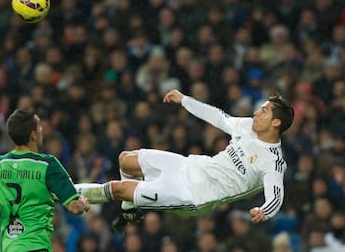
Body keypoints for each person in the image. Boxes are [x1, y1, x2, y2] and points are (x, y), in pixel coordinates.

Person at [75, 89, 294, 231]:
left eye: (264, 111)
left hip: (195, 194)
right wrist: (184, 100)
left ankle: (62, 191)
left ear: (275, 123)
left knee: (119, 187)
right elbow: (219, 117)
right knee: (125, 160)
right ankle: (130, 209)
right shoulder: (248, 127)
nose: (257, 112)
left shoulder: (272, 162)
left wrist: (263, 211)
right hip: (190, 166)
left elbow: (276, 196)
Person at [0, 108, 90, 252]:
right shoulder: (47, 165)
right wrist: (83, 203)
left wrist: (2, 211)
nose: (41, 129)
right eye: (39, 125)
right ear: (33, 135)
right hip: (36, 246)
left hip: (9, 247)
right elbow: (74, 207)